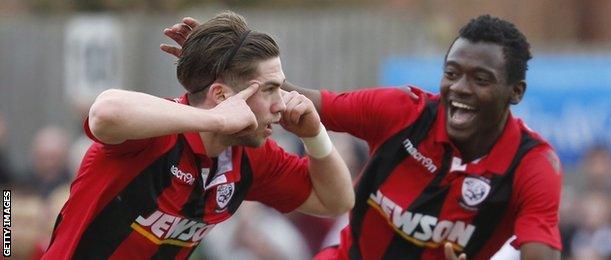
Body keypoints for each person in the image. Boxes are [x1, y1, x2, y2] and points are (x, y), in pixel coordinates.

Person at [162, 14, 563, 259]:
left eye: (481, 79)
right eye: (452, 73)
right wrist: (226, 73)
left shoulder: (533, 165)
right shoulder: (402, 111)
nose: (459, 89)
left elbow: (539, 252)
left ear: (516, 92)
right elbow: (299, 101)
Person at [43, 11, 354, 259]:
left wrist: (315, 135)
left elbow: (336, 201)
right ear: (220, 95)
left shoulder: (250, 157)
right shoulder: (157, 132)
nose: (281, 104)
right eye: (271, 89)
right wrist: (213, 119)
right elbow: (104, 112)